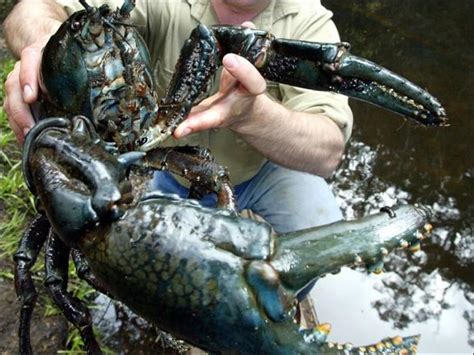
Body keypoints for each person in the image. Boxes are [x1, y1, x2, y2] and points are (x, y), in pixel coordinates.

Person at [3, 0, 352, 234]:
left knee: (322, 226)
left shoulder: (309, 19)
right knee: (141, 251)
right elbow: (28, 9)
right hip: (165, 161)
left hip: (264, 171)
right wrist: (48, 47)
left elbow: (328, 149)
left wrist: (254, 116)